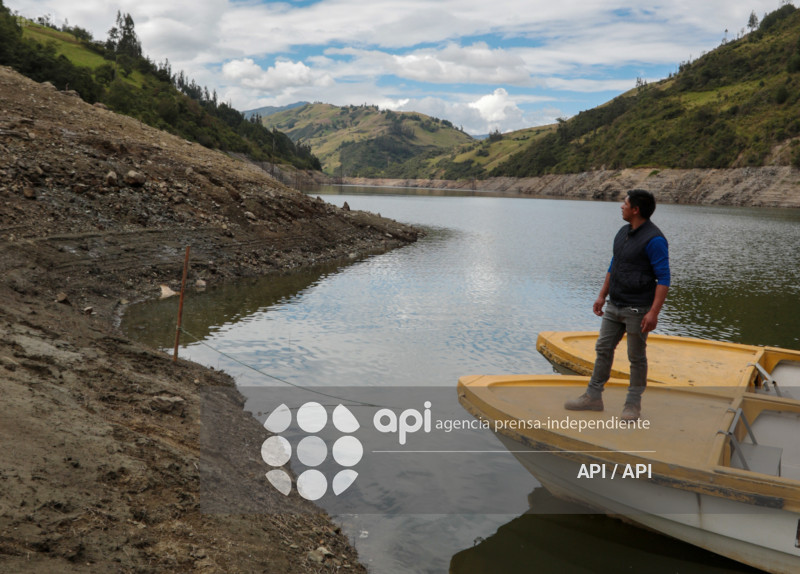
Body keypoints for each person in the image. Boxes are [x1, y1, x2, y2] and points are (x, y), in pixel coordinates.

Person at [564, 189, 670, 421]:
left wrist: (653, 313)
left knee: (636, 358)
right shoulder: (623, 232)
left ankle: (632, 406)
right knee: (603, 349)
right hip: (614, 304)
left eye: (625, 203)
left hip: (638, 309)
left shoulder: (655, 240)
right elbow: (614, 265)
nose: (621, 207)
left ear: (636, 210)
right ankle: (593, 397)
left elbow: (664, 279)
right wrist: (602, 295)